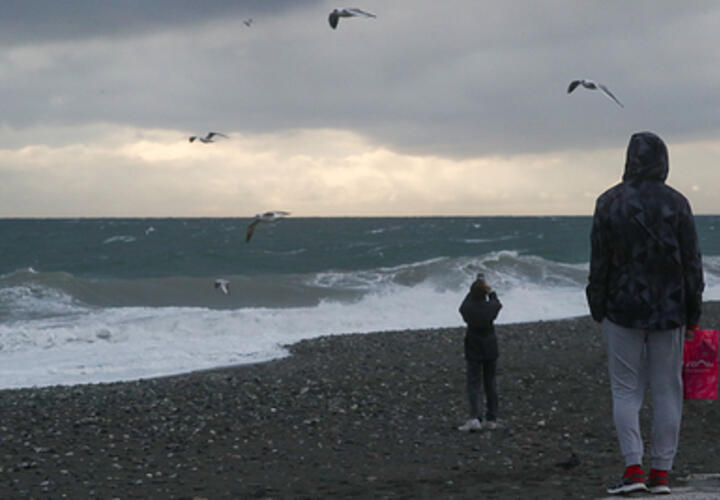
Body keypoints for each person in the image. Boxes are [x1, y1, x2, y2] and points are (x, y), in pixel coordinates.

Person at [586, 131, 704, 495]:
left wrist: (598, 306)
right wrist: (693, 313)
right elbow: (691, 264)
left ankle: (633, 469)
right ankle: (662, 474)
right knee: (669, 389)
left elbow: (599, 261)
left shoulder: (608, 202)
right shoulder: (677, 203)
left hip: (621, 308)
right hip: (670, 310)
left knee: (625, 390)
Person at [458, 273, 502, 432]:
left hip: (473, 346)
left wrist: (475, 289)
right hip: (490, 346)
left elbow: (462, 306)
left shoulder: (468, 308)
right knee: (490, 383)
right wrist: (490, 291)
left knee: (474, 384)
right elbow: (497, 303)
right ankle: (491, 419)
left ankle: (474, 418)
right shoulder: (490, 308)